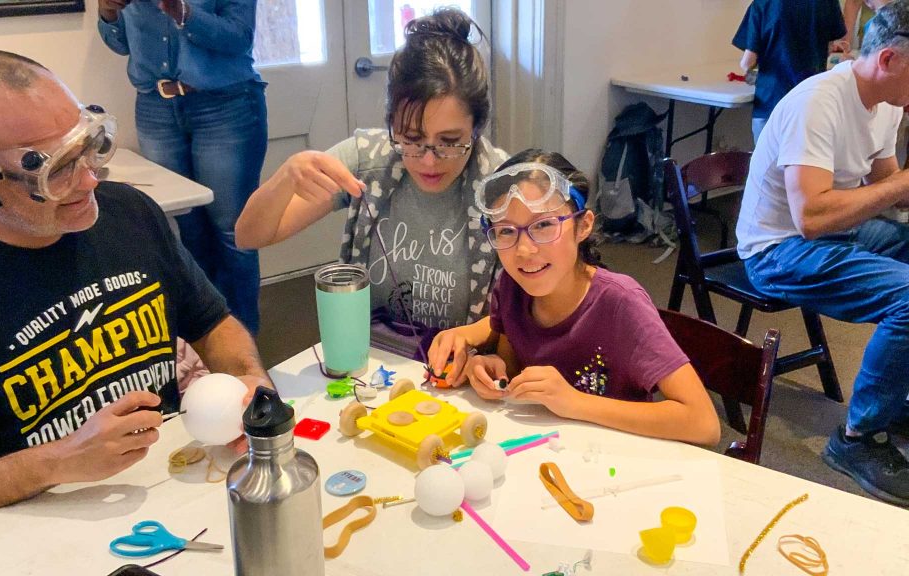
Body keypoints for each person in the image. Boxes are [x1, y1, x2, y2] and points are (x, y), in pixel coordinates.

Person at [0, 50, 272, 535]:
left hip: (166, 489)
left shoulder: (129, 213)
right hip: (36, 529)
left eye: (89, 147)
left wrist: (251, 384)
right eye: (53, 170)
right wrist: (58, 461)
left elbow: (212, 323)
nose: (89, 179)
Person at [236, 8, 507, 332]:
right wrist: (285, 177)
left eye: (449, 142)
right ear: (391, 124)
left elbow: (537, 311)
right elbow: (248, 236)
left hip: (461, 370)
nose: (429, 161)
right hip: (376, 363)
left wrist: (471, 337)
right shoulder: (370, 161)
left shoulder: (500, 183)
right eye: (411, 139)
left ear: (477, 129)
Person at [426, 150, 721, 446]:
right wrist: (490, 370)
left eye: (543, 225)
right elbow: (512, 369)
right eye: (505, 231)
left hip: (615, 463)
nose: (524, 250)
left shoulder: (621, 304)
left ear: (583, 225)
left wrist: (575, 402)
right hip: (548, 453)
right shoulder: (512, 288)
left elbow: (703, 423)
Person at [736, 1, 909, 505]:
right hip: (778, 251)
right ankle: (858, 438)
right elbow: (811, 219)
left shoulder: (887, 103)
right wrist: (900, 184)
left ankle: (896, 400)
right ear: (889, 60)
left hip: (838, 233)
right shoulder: (819, 103)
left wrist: (901, 185)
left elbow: (886, 188)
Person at [97, 0, 267, 334]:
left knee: (234, 232)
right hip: (154, 107)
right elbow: (120, 43)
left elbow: (239, 37)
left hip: (225, 106)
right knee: (185, 230)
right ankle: (207, 342)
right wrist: (107, 12)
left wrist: (180, 11)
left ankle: (246, 350)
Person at [732, 0, 846, 144]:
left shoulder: (763, 3)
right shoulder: (828, 3)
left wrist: (748, 69)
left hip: (772, 100)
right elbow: (829, 48)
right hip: (811, 100)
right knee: (804, 161)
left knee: (767, 163)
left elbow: (748, 61)